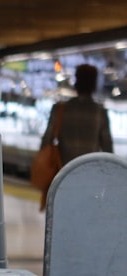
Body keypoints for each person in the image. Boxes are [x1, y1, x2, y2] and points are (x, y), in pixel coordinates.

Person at [38, 63, 113, 206]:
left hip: (62, 175)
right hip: (90, 178)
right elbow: (108, 150)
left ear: (76, 82)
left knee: (63, 214)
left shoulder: (60, 109)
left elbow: (46, 141)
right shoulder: (100, 112)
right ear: (94, 84)